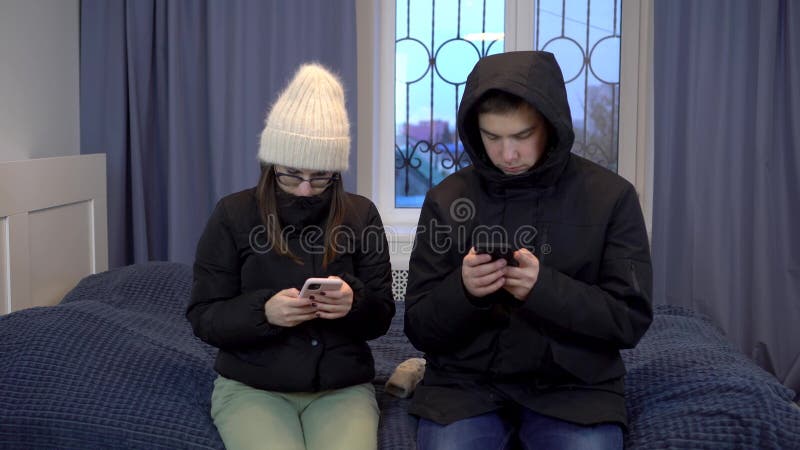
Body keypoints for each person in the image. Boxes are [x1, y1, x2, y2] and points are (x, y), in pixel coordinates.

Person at [404, 51, 653, 450]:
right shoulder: (445, 199)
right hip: (464, 389)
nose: (507, 155)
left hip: (575, 390)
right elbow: (417, 325)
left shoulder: (612, 197)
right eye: (492, 137)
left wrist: (542, 289)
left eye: (522, 136)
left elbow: (629, 320)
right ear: (473, 131)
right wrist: (464, 290)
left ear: (552, 127)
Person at [187, 63, 394, 450]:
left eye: (319, 177)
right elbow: (203, 317)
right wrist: (264, 313)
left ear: (336, 173)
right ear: (270, 166)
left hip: (342, 388)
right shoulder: (233, 214)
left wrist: (354, 303)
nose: (303, 189)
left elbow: (382, 316)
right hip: (252, 387)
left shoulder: (361, 214)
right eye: (290, 174)